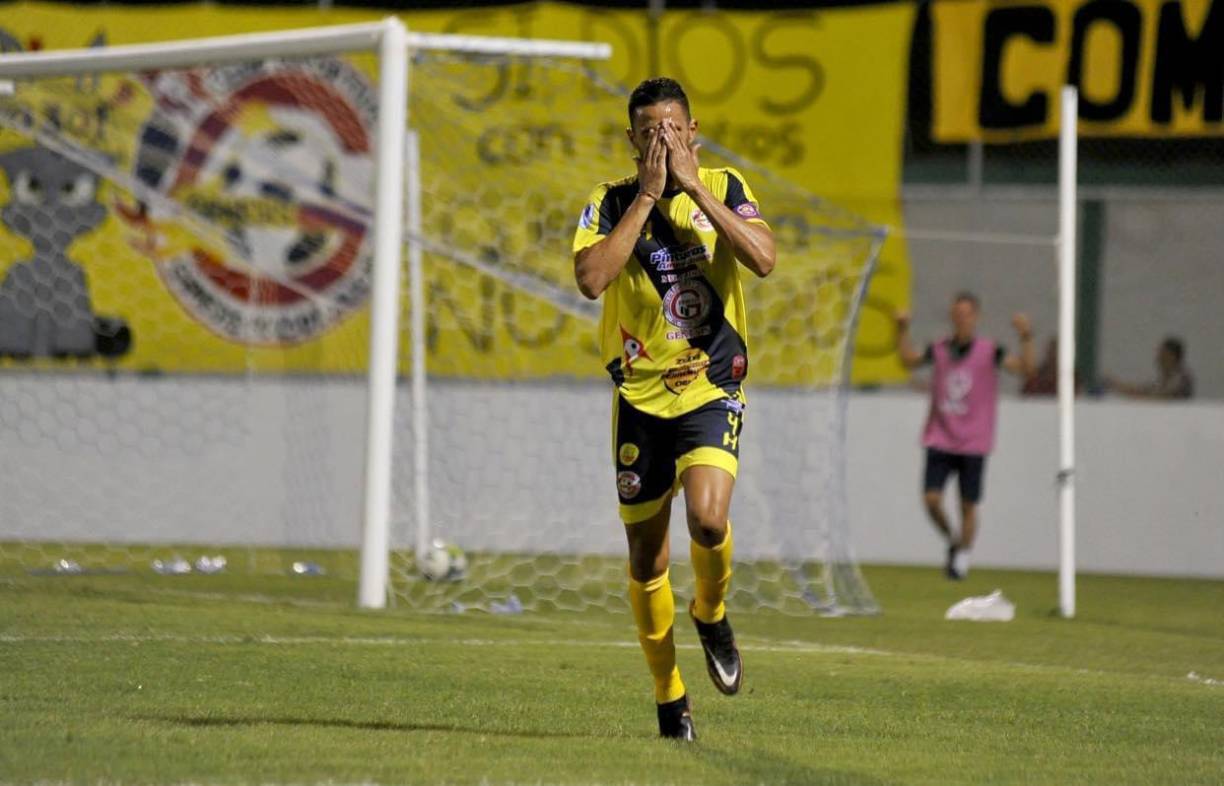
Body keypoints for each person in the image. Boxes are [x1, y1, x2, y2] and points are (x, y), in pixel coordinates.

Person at [572, 77, 775, 741]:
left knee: (709, 520)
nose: (662, 140)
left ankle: (710, 612)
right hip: (640, 398)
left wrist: (693, 190)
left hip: (710, 385)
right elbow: (591, 279)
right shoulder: (609, 201)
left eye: (672, 129)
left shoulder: (726, 185)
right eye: (649, 132)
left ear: (693, 132)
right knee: (646, 561)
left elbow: (763, 258)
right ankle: (670, 697)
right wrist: (650, 196)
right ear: (632, 141)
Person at [895, 293, 1035, 580]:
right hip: (940, 436)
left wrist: (1026, 337)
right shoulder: (939, 349)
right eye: (957, 314)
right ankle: (952, 539)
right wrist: (901, 330)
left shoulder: (989, 351)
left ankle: (962, 556)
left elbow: (1025, 369)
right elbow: (908, 360)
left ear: (976, 317)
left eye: (966, 314)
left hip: (973, 440)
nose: (961, 319)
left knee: (968, 504)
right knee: (931, 499)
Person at [1105, 337, 1194, 400]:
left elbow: (1163, 398)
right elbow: (1142, 390)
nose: (1158, 359)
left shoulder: (1181, 379)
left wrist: (1140, 398)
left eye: (1162, 355)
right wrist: (1115, 384)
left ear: (1172, 357)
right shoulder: (1162, 381)